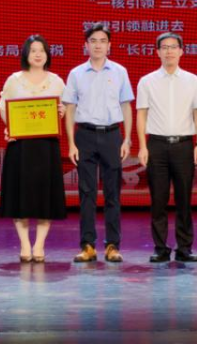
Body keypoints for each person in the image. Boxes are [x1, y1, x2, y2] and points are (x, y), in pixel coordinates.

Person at [64, 23, 134, 263]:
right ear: (86, 45)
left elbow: (126, 105)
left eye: (103, 41)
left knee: (113, 193)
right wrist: (71, 143)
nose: (98, 45)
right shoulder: (76, 74)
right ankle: (87, 246)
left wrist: (127, 138)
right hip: (84, 135)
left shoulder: (119, 71)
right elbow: (70, 109)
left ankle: (113, 246)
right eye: (93, 41)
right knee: (86, 193)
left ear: (109, 45)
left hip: (112, 135)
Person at [136, 32, 197, 263]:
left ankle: (185, 248)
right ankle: (160, 248)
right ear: (157, 52)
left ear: (181, 51)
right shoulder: (147, 81)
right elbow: (142, 114)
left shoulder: (192, 80)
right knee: (158, 200)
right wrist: (143, 146)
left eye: (173, 47)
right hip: (156, 145)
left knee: (184, 200)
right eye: (164, 47)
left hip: (184, 145)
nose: (169, 51)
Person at [0, 35, 67, 263]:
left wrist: (62, 112)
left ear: (47, 54)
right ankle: (25, 244)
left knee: (45, 198)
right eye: (33, 50)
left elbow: (66, 109)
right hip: (20, 147)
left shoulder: (57, 81)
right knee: (20, 198)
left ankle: (39, 245)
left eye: (42, 50)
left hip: (47, 147)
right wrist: (11, 127)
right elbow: (3, 108)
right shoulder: (14, 80)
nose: (38, 54)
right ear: (26, 54)